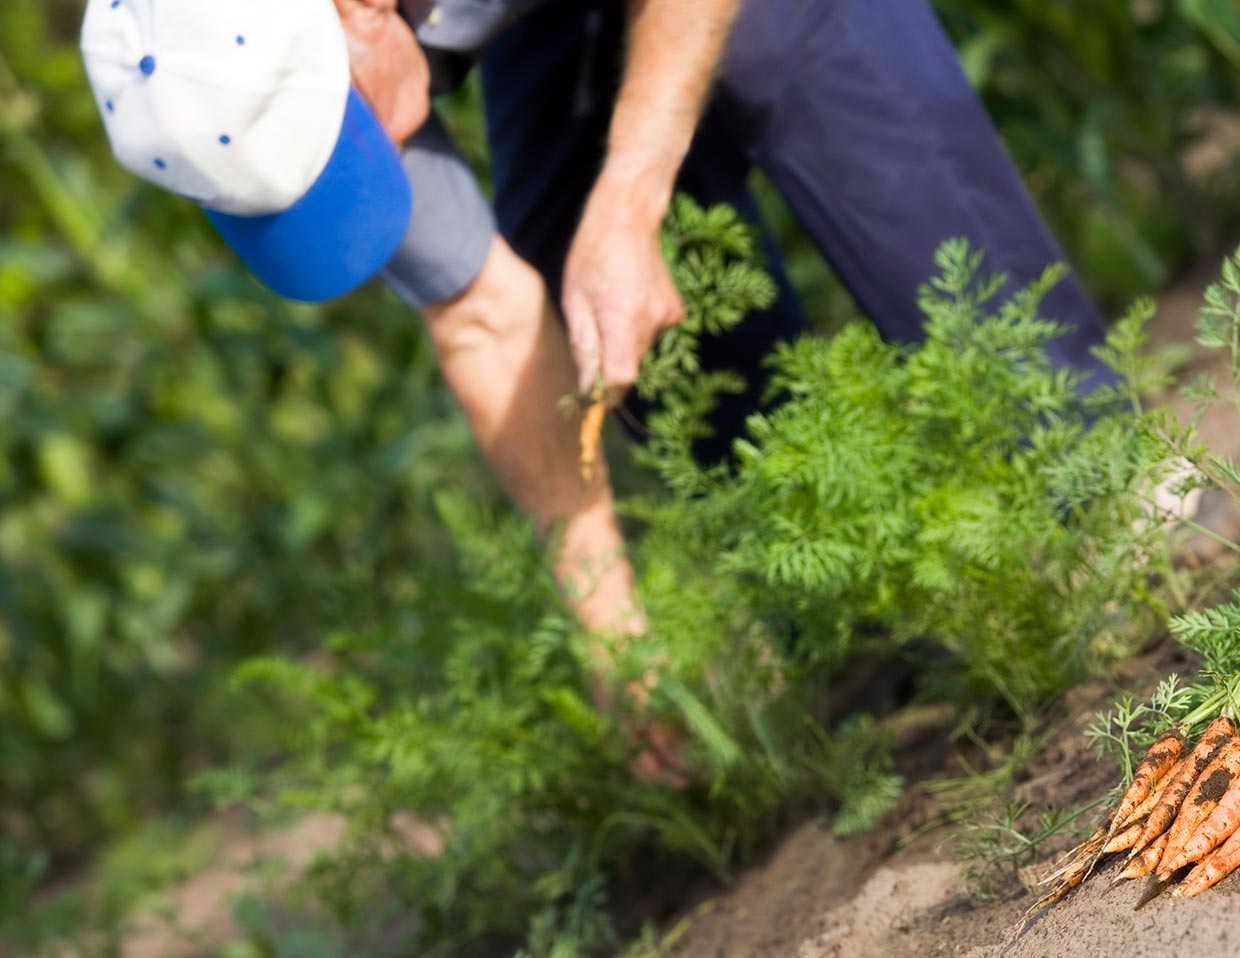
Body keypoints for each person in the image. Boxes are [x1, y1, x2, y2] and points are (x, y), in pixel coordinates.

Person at [83, 0, 1117, 780]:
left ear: (352, 14)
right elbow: (480, 316)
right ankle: (862, 611)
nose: (376, 155)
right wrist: (608, 625)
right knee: (575, 248)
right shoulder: (229, 69)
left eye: (342, 142)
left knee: (781, 55)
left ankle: (1102, 488)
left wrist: (633, 194)